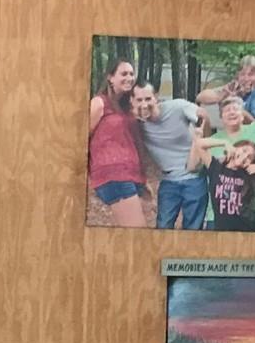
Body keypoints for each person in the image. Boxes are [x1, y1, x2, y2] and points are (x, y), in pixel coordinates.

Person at [191, 96, 255, 232]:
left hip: (251, 218)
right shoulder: (216, 163)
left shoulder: (249, 171)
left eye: (236, 109)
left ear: (243, 115)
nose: (231, 112)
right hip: (217, 217)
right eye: (227, 110)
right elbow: (198, 149)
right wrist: (224, 143)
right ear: (221, 117)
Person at [129, 83, 208, 230]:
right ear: (132, 101)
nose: (144, 104)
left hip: (194, 177)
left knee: (193, 228)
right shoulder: (135, 123)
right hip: (168, 180)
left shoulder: (177, 107)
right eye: (139, 100)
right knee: (163, 226)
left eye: (148, 99)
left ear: (156, 98)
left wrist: (202, 140)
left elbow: (202, 114)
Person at [88, 57, 148, 226]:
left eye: (131, 73)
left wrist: (143, 178)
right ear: (110, 77)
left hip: (130, 175)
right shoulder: (99, 103)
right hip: (112, 175)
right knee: (138, 232)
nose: (129, 77)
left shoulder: (126, 107)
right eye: (123, 73)